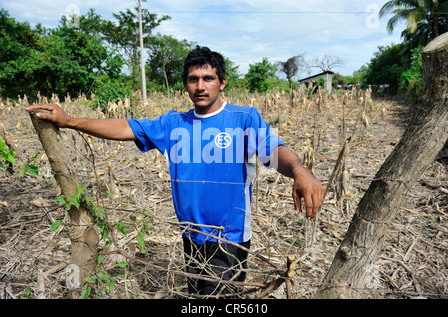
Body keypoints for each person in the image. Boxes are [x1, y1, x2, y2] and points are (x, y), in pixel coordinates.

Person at [26, 46, 324, 297]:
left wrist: (300, 170)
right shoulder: (173, 124)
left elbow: (274, 151)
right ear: (186, 85)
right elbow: (126, 127)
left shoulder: (244, 119)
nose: (200, 85)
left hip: (228, 235)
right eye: (193, 79)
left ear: (222, 83)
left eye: (208, 78)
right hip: (191, 234)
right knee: (195, 295)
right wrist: (71, 121)